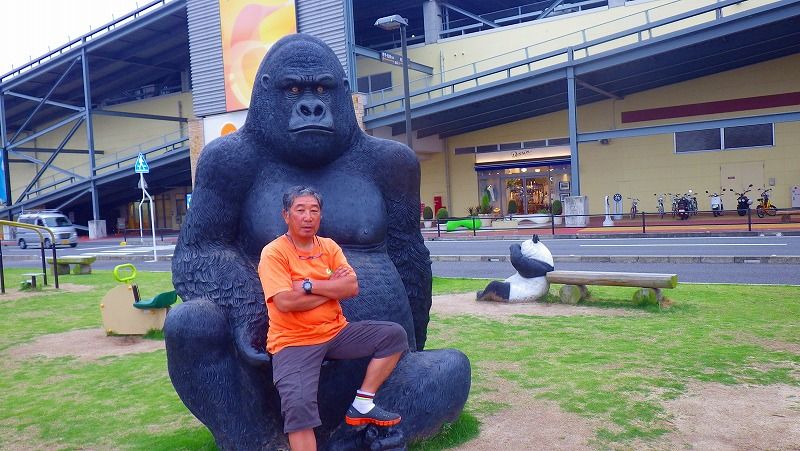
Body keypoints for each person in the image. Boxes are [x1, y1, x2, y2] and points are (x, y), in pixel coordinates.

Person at [258, 186, 409, 451]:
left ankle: (363, 403)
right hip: (293, 341)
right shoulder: (274, 253)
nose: (308, 217)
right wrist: (331, 290)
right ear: (286, 215)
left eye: (314, 210)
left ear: (321, 215)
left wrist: (308, 285)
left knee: (393, 336)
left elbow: (351, 287)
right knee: (298, 410)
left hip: (336, 332)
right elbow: (284, 302)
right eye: (300, 210)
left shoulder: (329, 247)